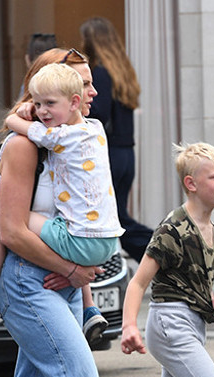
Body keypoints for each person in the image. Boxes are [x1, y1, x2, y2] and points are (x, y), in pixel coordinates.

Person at [0, 59, 117, 348]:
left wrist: (19, 114)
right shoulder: (94, 129)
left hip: (72, 248)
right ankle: (90, 309)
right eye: (38, 103)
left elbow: (12, 230)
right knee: (39, 371)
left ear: (71, 102)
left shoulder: (58, 136)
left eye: (49, 102)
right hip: (106, 239)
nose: (93, 92)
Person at [0, 48, 103, 377]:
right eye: (84, 83)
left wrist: (80, 275)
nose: (92, 92)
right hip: (30, 281)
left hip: (64, 284)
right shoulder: (23, 145)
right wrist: (72, 269)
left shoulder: (76, 140)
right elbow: (10, 230)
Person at [120, 142, 214, 377]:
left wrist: (212, 303)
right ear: (191, 184)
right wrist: (129, 326)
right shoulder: (172, 229)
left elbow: (195, 280)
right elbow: (138, 282)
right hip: (171, 324)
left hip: (192, 323)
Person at [80, 16, 154, 262]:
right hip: (126, 154)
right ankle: (162, 255)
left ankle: (163, 252)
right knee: (118, 216)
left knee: (115, 219)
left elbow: (98, 112)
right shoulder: (123, 72)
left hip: (110, 152)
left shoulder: (100, 73)